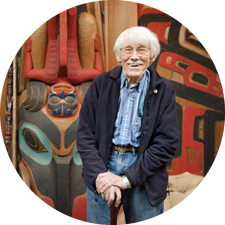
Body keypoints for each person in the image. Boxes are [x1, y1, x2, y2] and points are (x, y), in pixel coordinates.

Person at [77, 26, 179, 225]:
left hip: (145, 168)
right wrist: (101, 176)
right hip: (103, 164)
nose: (134, 57)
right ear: (118, 55)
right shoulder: (100, 84)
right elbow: (85, 134)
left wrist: (125, 179)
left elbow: (166, 143)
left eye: (141, 50)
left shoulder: (165, 90)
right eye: (127, 50)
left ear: (152, 56)